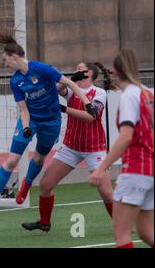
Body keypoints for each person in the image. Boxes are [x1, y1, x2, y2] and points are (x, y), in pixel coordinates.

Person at [0, 24, 98, 221]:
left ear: (14, 57)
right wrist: (25, 127)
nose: (5, 65)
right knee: (11, 161)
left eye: (5, 60)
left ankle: (27, 183)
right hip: (31, 121)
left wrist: (86, 102)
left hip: (51, 122)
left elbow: (69, 83)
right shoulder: (15, 82)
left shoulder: (41, 69)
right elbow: (23, 109)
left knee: (40, 158)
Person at [21, 62, 114, 232]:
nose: (76, 71)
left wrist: (63, 108)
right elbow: (52, 91)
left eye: (80, 69)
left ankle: (121, 223)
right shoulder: (71, 90)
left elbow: (90, 117)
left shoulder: (99, 93)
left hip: (94, 149)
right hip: (71, 147)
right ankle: (44, 223)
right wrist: (69, 79)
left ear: (90, 74)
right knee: (46, 185)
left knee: (106, 192)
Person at [89, 49, 153, 248]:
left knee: (121, 233)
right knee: (146, 232)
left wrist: (101, 168)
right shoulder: (147, 93)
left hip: (136, 169)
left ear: (115, 73)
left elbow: (126, 136)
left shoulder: (129, 96)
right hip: (151, 171)